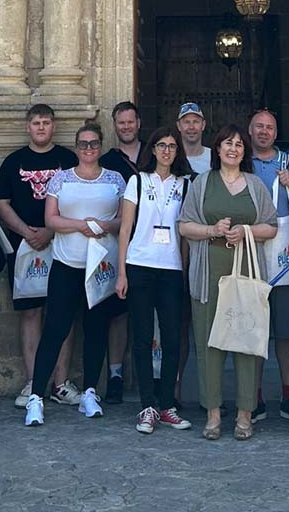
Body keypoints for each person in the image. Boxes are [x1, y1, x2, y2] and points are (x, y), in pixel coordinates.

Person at [178, 124, 279, 441]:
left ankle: (245, 414)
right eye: (227, 143)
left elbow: (272, 227)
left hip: (246, 268)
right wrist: (212, 231)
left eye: (238, 144)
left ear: (244, 151)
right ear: (217, 149)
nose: (233, 148)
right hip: (210, 269)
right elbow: (184, 225)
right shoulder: (202, 183)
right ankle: (212, 413)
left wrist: (245, 230)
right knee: (209, 341)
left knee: (245, 339)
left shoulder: (255, 185)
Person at [24, 123, 127, 426]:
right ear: (76, 147)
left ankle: (90, 392)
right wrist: (81, 225)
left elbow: (123, 220)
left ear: (100, 145)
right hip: (66, 264)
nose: (89, 149)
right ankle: (36, 396)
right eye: (83, 144)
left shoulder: (115, 179)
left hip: (100, 267)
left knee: (96, 329)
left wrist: (103, 226)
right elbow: (51, 219)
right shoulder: (61, 179)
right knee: (55, 329)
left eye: (94, 144)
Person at [0, 104, 82, 409]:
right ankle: (35, 382)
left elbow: (78, 199)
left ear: (53, 126)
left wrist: (49, 230)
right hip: (24, 247)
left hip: (62, 247)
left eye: (46, 122)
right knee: (30, 314)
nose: (41, 127)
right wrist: (27, 232)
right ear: (27, 126)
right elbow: (1, 203)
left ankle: (60, 382)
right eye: (36, 123)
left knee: (62, 316)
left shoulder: (68, 160)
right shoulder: (13, 161)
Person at [115, 126, 194, 434]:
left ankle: (167, 404)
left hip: (171, 268)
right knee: (143, 336)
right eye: (161, 145)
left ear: (178, 152)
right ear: (153, 149)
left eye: (172, 146)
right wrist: (121, 272)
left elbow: (185, 234)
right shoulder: (137, 181)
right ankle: (147, 404)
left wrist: (185, 271)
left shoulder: (185, 185)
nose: (166, 151)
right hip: (140, 263)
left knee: (173, 338)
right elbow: (125, 229)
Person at [249, 109, 289, 421]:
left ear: (276, 132)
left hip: (286, 257)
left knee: (286, 332)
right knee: (254, 330)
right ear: (250, 130)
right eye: (258, 126)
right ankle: (254, 395)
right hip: (250, 255)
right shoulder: (241, 159)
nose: (264, 132)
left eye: (269, 127)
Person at [98, 101, 144, 404]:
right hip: (119, 242)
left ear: (138, 123)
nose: (126, 127)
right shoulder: (107, 162)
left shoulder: (156, 155)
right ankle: (115, 374)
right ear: (115, 125)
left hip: (153, 244)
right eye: (121, 123)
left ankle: (151, 377)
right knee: (117, 312)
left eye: (130, 122)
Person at [176, 102, 211, 174]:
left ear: (203, 125)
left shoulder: (214, 157)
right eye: (186, 122)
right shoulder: (171, 156)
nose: (191, 127)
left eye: (196, 122)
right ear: (179, 126)